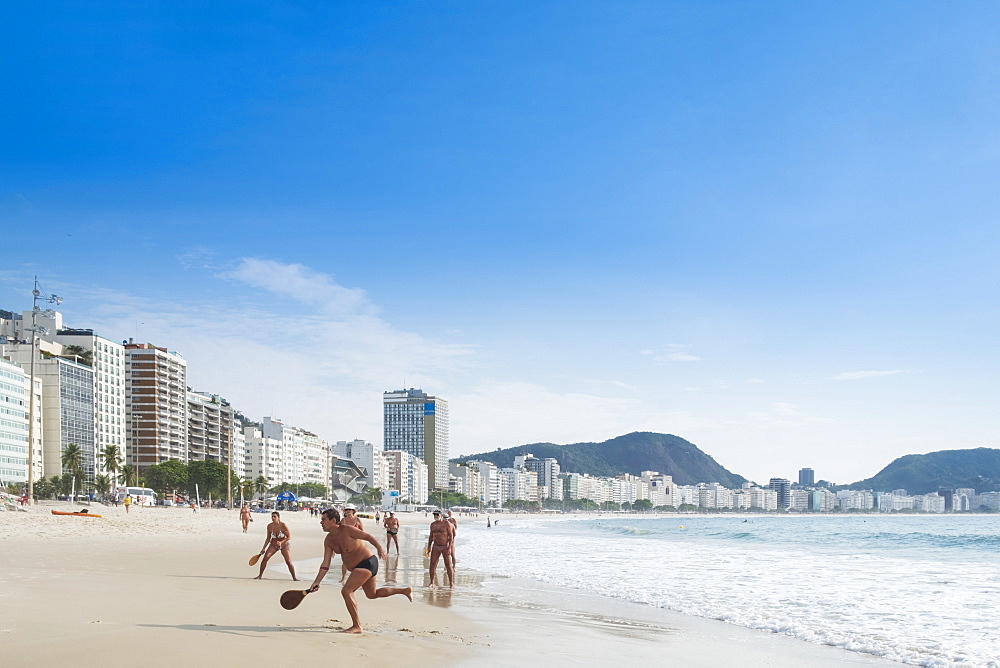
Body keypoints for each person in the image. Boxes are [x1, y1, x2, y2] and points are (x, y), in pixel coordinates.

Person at [308, 507, 411, 634]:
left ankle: (357, 626)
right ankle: (404, 590)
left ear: (333, 520)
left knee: (346, 591)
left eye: (323, 519)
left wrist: (380, 549)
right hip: (359, 568)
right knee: (372, 594)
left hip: (367, 562)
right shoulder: (329, 541)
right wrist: (317, 582)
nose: (321, 522)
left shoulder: (347, 530)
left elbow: (367, 536)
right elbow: (325, 563)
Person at [254, 511, 298, 581]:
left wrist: (281, 542)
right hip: (273, 544)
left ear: (278, 517)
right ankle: (260, 575)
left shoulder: (283, 525)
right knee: (265, 558)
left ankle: (294, 577)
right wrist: (263, 548)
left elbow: (289, 537)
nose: (273, 518)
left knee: (288, 561)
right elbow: (268, 538)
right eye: (272, 517)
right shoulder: (269, 526)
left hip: (284, 545)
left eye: (275, 517)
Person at [426, 509, 455, 588]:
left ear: (441, 515)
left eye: (437, 514)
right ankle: (432, 582)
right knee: (432, 564)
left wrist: (449, 548)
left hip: (445, 546)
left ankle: (451, 583)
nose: (435, 516)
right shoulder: (432, 525)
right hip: (435, 546)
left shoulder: (447, 524)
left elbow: (451, 536)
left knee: (448, 565)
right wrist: (428, 547)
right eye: (434, 514)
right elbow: (431, 536)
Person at [340, 503, 364, 582]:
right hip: (346, 543)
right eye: (347, 510)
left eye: (350, 510)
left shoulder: (357, 520)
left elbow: (362, 532)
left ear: (353, 511)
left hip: (356, 543)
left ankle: (357, 578)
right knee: (345, 561)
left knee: (358, 561)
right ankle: (343, 578)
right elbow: (339, 532)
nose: (348, 511)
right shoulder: (343, 521)